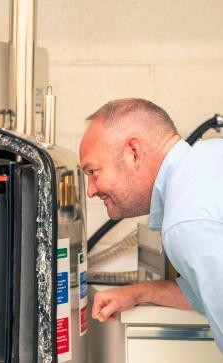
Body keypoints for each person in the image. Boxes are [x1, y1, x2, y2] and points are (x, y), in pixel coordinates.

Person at [79, 98, 223, 352]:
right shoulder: (208, 161)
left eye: (93, 172)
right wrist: (139, 292)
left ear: (133, 152)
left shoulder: (187, 221)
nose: (90, 191)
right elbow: (205, 292)